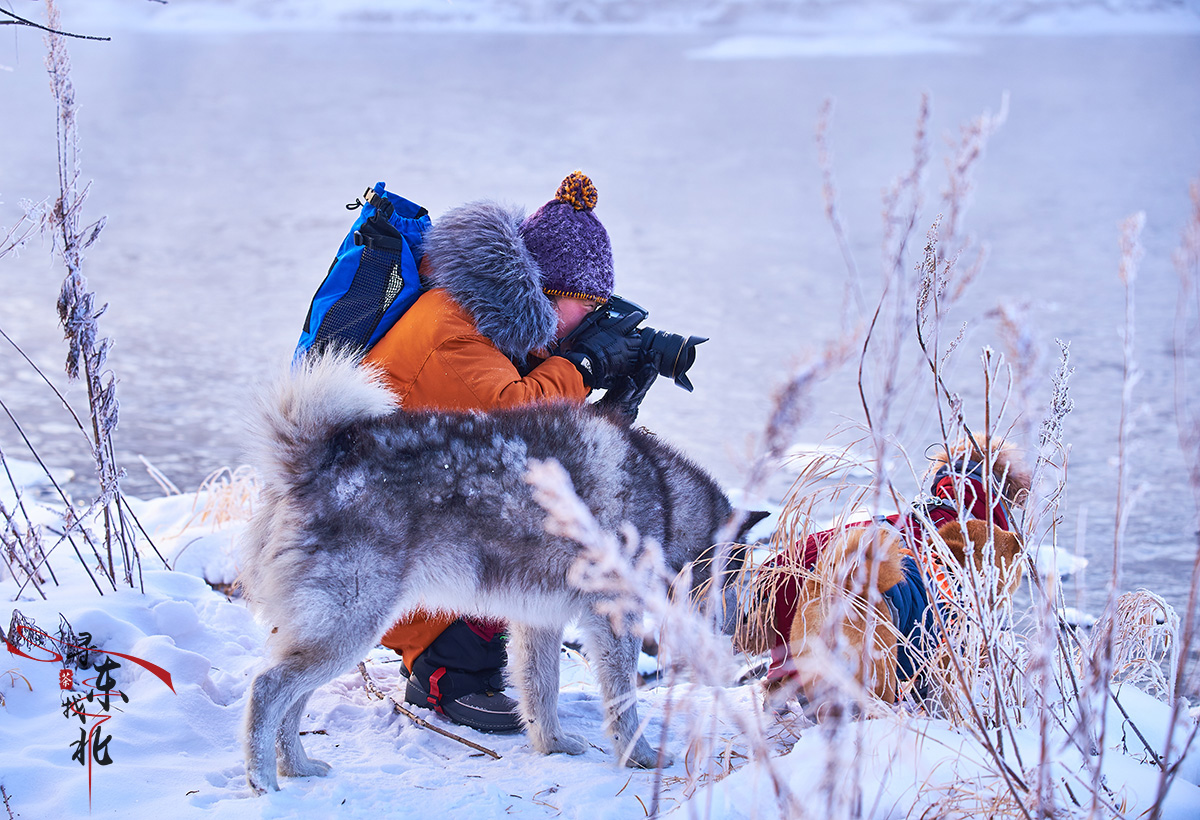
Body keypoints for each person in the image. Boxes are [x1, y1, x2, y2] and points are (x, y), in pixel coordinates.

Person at [361, 171, 646, 732]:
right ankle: (444, 675)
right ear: (541, 292)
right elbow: (520, 415)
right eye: (583, 308)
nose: (586, 325)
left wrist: (612, 405)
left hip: (404, 519)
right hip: (380, 557)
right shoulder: (454, 333)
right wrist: (582, 367)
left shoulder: (478, 318)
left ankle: (463, 655)